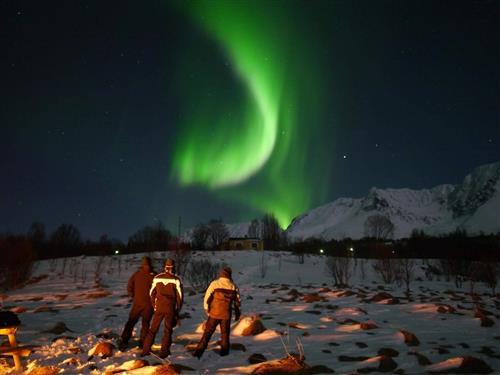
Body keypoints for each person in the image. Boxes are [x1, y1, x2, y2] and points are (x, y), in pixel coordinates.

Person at [193, 266, 241, 359]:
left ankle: (198, 354)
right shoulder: (233, 286)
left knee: (207, 334)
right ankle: (224, 354)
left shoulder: (214, 284)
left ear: (221, 274)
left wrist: (206, 308)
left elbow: (207, 297)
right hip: (226, 315)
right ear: (229, 275)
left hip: (214, 313)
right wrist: (237, 314)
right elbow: (238, 302)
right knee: (225, 335)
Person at [141, 258, 183, 358]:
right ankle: (164, 352)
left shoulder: (157, 277)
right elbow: (180, 297)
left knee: (152, 330)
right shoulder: (176, 279)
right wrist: (177, 310)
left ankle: (145, 350)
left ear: (165, 267)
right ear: (173, 267)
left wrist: (154, 305)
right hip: (170, 308)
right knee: (168, 330)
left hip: (159, 307)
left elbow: (151, 293)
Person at [119, 256, 155, 351]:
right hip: (148, 305)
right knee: (145, 324)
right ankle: (143, 343)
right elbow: (159, 290)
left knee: (132, 322)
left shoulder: (137, 274)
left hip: (139, 303)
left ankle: (124, 340)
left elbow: (129, 286)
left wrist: (133, 295)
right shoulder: (155, 275)